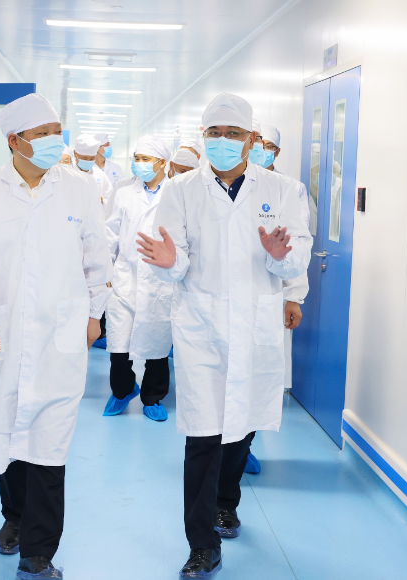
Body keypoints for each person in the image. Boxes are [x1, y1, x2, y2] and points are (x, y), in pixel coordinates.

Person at [136, 92, 311, 580]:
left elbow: (296, 258)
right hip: (202, 327)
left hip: (254, 326)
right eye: (214, 133)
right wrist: (172, 263)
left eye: (233, 134)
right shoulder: (181, 190)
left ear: (251, 140)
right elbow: (174, 259)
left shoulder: (282, 190)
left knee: (241, 426)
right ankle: (201, 545)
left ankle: (225, 503)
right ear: (204, 137)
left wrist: (281, 257)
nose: (223, 141)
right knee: (203, 434)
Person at [0, 93, 112, 580]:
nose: (53, 141)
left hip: (61, 334)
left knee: (50, 439)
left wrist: (95, 314)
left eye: (56, 131)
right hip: (1, 331)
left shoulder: (78, 188)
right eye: (42, 134)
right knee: (5, 424)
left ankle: (38, 552)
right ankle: (14, 518)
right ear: (15, 141)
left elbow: (97, 258)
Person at [103, 135, 175, 422]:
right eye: (137, 158)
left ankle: (153, 397)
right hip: (125, 276)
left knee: (157, 343)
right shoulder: (124, 192)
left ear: (162, 162)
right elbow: (110, 232)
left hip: (161, 279)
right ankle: (122, 390)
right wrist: (105, 271)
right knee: (118, 344)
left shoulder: (176, 193)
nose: (138, 163)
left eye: (145, 159)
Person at [73, 133, 114, 204]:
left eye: (92, 158)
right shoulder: (67, 173)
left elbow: (111, 200)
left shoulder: (100, 175)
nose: (88, 161)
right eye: (84, 158)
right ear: (75, 153)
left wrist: (102, 200)